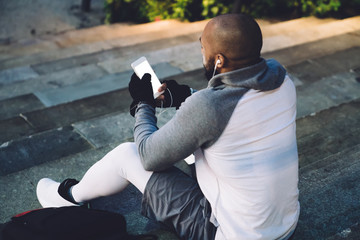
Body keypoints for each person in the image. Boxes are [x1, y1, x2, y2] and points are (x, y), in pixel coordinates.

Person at [36, 13, 300, 240]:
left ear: (219, 59)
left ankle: (68, 196)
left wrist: (143, 103)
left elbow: (149, 156)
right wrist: (185, 95)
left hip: (228, 233)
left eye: (202, 48)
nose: (202, 54)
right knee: (191, 146)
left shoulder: (209, 107)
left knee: (126, 155)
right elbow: (234, 108)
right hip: (285, 226)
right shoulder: (281, 79)